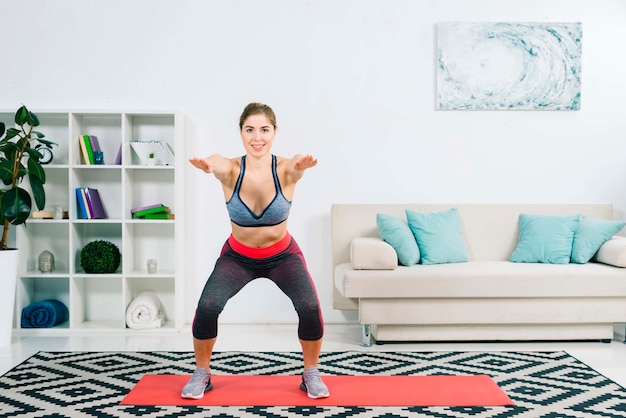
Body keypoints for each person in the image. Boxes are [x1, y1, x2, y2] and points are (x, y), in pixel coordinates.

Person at [182, 102, 329, 400]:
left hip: (282, 256)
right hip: (238, 257)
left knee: (310, 307)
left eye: (264, 130)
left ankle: (311, 372)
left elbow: (296, 162)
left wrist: (302, 164)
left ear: (274, 133)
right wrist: (208, 165)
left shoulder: (286, 169)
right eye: (250, 130)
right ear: (241, 133)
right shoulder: (231, 169)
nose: (257, 137)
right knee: (208, 306)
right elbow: (218, 161)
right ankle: (202, 373)